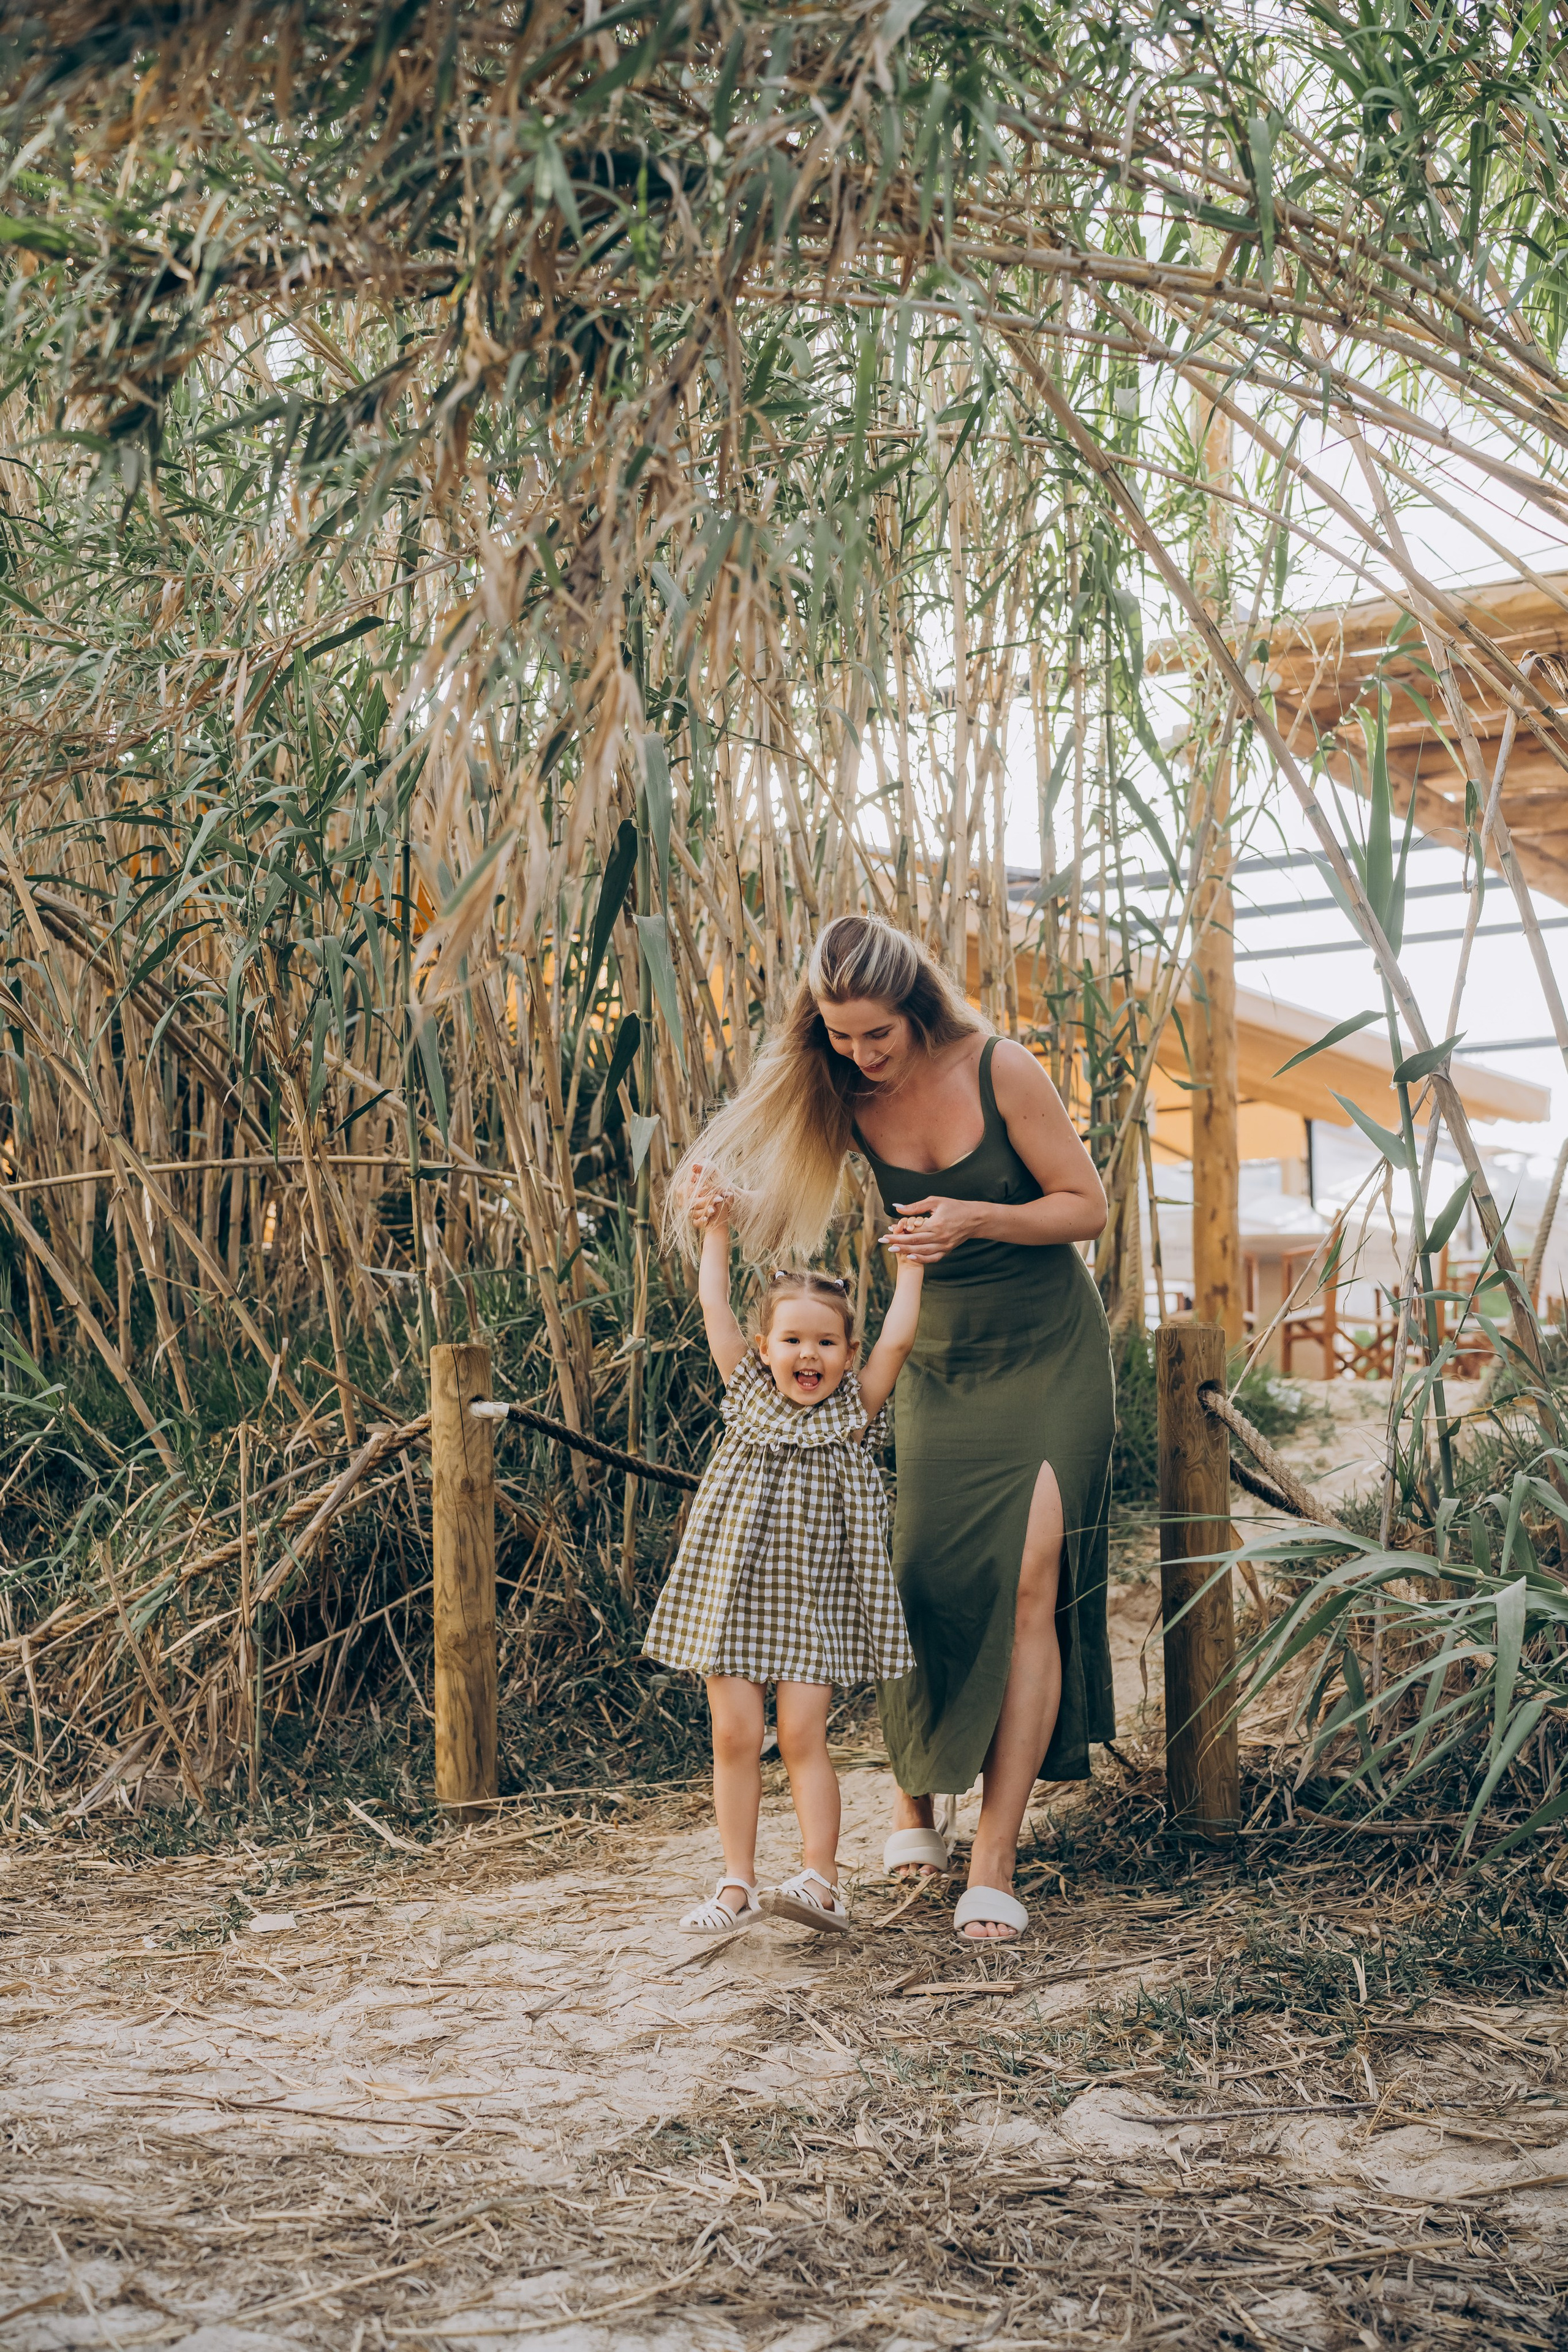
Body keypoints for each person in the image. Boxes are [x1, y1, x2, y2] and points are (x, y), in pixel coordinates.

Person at [668, 913, 1114, 1943]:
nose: (862, 1055)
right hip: (938, 1355)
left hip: (1046, 1346)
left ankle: (996, 1856)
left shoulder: (1002, 1067)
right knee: (923, 1576)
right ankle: (920, 1800)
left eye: (878, 1034)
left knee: (1032, 1575)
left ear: (914, 1005)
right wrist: (712, 1202)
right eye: (840, 1035)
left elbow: (1084, 1206)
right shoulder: (841, 1088)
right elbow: (774, 1193)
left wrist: (974, 1217)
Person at [643, 1197, 923, 1934]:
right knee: (733, 1734)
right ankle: (735, 1884)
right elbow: (714, 1304)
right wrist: (716, 1231)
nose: (809, 1356)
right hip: (732, 1589)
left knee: (802, 1736)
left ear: (847, 1352)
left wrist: (913, 1265)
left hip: (813, 1601)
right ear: (765, 1346)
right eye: (793, 1340)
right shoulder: (746, 1391)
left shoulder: (855, 1410)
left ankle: (820, 1882)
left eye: (827, 1343)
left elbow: (896, 1342)